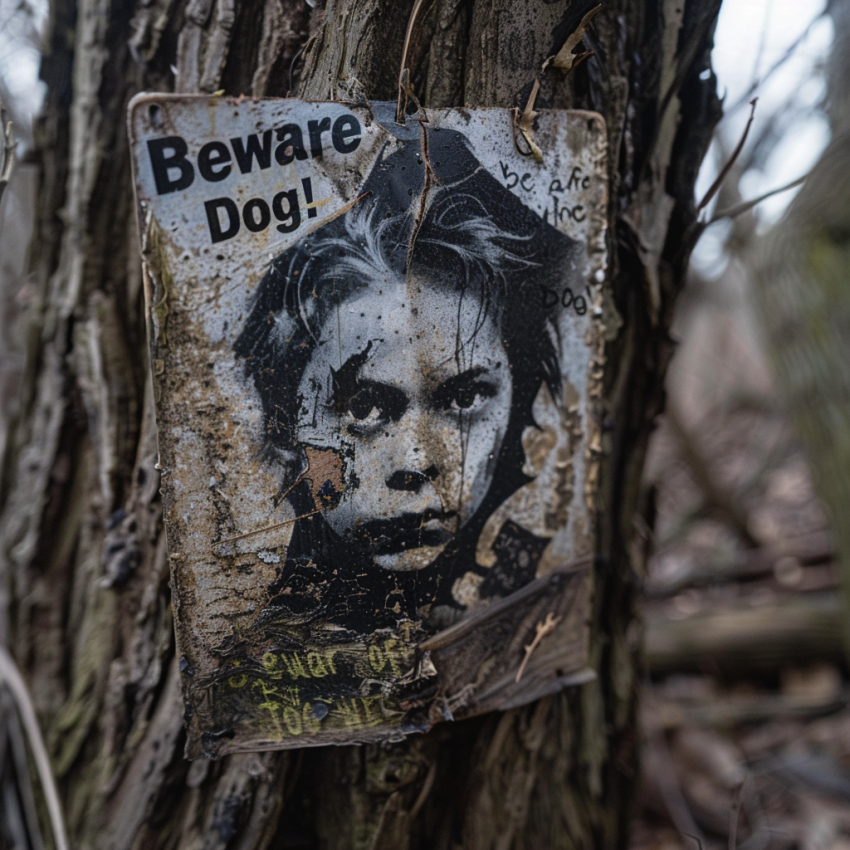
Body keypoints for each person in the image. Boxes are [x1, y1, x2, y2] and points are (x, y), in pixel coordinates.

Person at [234, 126, 583, 638]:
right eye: (363, 410)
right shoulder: (252, 662)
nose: (418, 461)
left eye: (464, 397)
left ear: (518, 400)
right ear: (283, 422)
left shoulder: (538, 624)